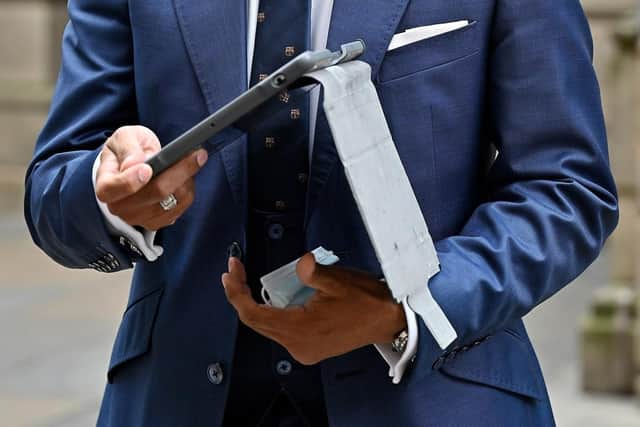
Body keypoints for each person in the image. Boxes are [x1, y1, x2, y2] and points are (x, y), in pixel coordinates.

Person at [24, 0, 618, 426]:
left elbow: (565, 186)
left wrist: (408, 309)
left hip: (436, 398)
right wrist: (111, 199)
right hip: (179, 396)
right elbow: (55, 187)